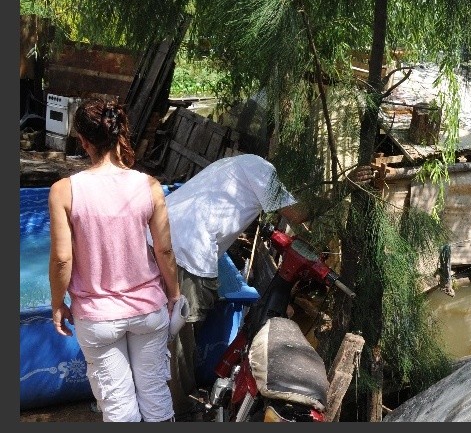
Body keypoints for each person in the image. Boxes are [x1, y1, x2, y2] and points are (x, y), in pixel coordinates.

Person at [158, 153, 373, 421]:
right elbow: (298, 213)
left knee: (162, 325)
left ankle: (162, 395)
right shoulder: (260, 169)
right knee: (180, 336)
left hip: (161, 235)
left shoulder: (237, 163)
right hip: (187, 250)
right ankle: (179, 410)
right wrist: (344, 187)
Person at [48, 98, 181, 422]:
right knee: (155, 395)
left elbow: (63, 259)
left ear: (83, 141)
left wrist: (57, 303)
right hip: (148, 311)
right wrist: (174, 294)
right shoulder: (149, 186)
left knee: (118, 407)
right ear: (120, 133)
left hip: (97, 318)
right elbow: (164, 251)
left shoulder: (64, 191)